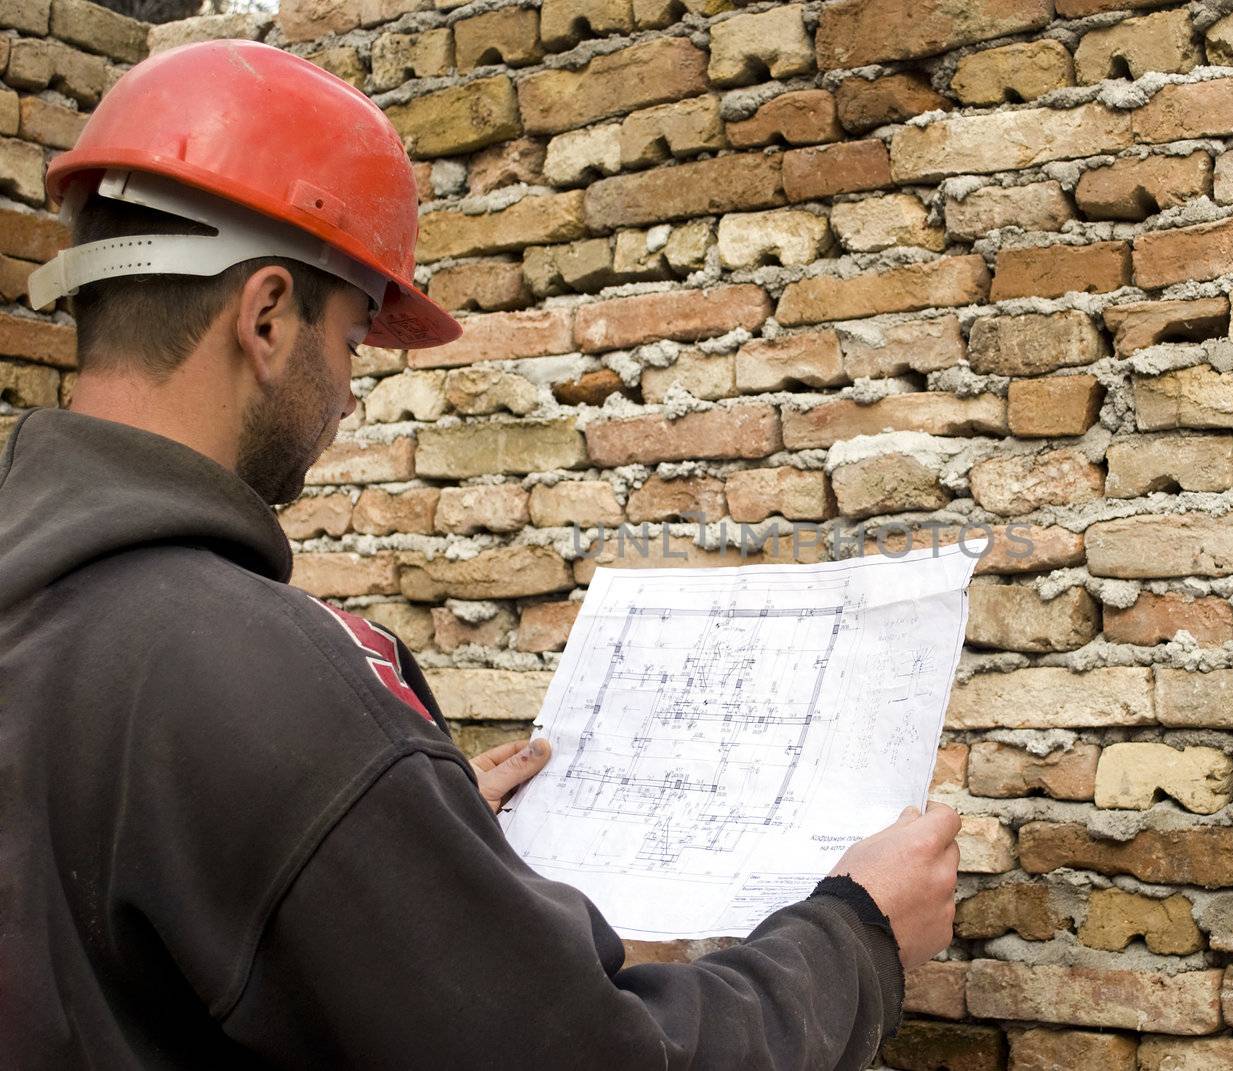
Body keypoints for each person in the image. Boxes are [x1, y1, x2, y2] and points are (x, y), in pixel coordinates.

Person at [0, 40, 961, 1069]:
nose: (350, 392)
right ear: (268, 316)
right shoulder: (268, 685)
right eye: (354, 341)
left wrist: (402, 842)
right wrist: (858, 937)